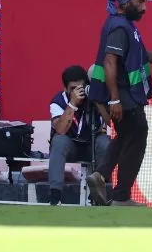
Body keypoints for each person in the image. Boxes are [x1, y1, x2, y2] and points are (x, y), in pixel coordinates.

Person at [86, 0, 152, 206]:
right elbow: (110, 61)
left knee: (126, 137)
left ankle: (100, 175)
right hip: (125, 97)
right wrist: (115, 99)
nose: (144, 7)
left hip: (126, 96)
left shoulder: (125, 25)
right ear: (125, 2)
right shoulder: (120, 27)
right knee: (137, 138)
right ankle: (121, 196)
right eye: (140, 2)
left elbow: (141, 56)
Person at [47, 65, 110, 205]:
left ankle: (101, 191)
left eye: (80, 87)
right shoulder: (58, 101)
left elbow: (111, 123)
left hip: (91, 145)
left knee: (105, 142)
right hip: (71, 145)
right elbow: (61, 129)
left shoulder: (93, 97)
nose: (78, 92)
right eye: (73, 89)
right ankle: (55, 195)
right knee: (59, 141)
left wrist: (98, 101)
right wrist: (72, 104)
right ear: (65, 89)